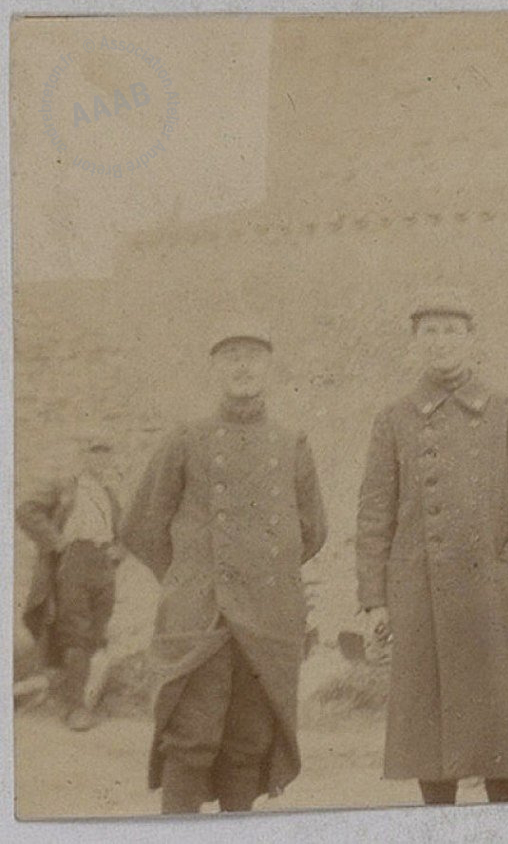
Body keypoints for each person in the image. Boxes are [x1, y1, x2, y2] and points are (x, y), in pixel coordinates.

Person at [120, 316, 327, 813]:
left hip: (268, 619)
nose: (242, 367)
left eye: (252, 356)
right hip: (202, 618)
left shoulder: (291, 441)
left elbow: (311, 530)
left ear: (270, 368)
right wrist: (192, 576)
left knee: (248, 744)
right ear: (214, 368)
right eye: (230, 356)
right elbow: (142, 524)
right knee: (190, 739)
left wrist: (263, 574)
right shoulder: (186, 438)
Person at [356, 287, 508, 805]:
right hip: (418, 597)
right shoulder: (393, 419)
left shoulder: (507, 412)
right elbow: (374, 513)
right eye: (430, 331)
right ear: (414, 343)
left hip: (492, 599)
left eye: (452, 330)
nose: (441, 342)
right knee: (430, 742)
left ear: (472, 339)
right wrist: (375, 599)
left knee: (500, 739)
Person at [17, 432, 124, 731]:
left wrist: (119, 550)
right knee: (74, 632)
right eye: (95, 452)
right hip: (73, 561)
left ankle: (86, 702)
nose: (101, 458)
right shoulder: (65, 487)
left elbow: (121, 530)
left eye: (106, 452)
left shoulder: (108, 494)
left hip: (103, 564)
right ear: (84, 456)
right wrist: (57, 541)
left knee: (96, 631)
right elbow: (26, 511)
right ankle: (74, 708)